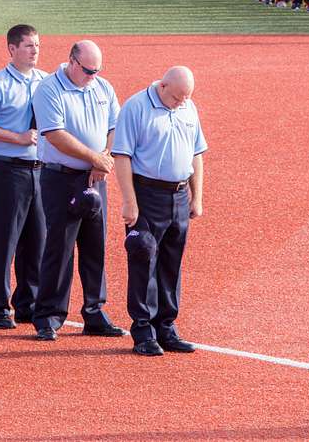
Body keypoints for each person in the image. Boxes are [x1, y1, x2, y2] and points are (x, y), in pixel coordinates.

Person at [31, 40, 126, 341]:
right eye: (87, 71)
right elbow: (56, 136)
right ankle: (48, 315)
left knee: (95, 246)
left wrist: (104, 159)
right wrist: (94, 157)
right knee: (59, 247)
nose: (92, 76)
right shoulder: (49, 89)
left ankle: (94, 312)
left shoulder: (103, 87)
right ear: (71, 61)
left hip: (96, 176)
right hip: (61, 178)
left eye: (96, 71)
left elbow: (115, 127)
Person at [113, 67, 207, 357]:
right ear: (163, 85)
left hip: (178, 195)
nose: (182, 102)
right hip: (147, 193)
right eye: (178, 96)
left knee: (171, 262)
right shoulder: (136, 107)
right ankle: (142, 330)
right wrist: (129, 201)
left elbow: (197, 153)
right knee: (143, 258)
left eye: (186, 97)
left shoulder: (187, 107)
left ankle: (166, 326)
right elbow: (122, 156)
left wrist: (197, 197)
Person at [0, 24, 48, 329]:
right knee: (4, 240)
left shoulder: (47, 82)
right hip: (8, 169)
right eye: (28, 46)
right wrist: (16, 138)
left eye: (37, 45)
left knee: (37, 238)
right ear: (12, 49)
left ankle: (28, 302)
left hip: (41, 171)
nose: (35, 51)